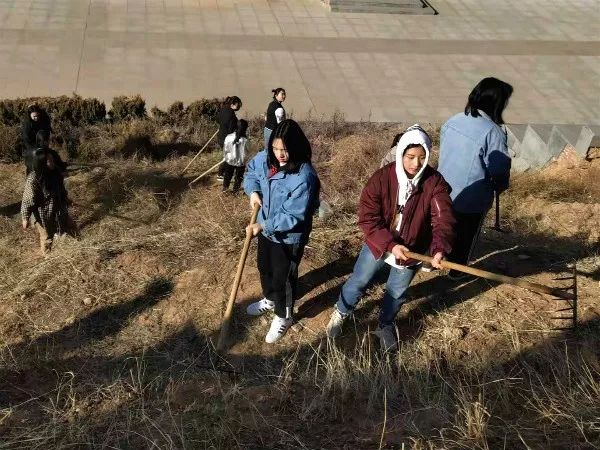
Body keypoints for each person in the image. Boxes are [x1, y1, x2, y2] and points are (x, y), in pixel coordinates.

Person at [326, 125, 455, 351]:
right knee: (359, 280)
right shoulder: (382, 179)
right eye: (410, 157)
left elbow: (443, 219)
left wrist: (439, 248)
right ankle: (342, 311)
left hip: (412, 249)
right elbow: (368, 218)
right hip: (380, 244)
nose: (416, 164)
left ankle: (385, 324)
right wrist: (390, 244)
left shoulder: (434, 182)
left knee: (397, 291)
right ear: (401, 153)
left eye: (422, 158)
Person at [243, 119, 320, 343]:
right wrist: (253, 191)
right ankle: (269, 299)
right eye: (275, 149)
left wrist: (262, 225)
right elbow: (251, 172)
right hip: (265, 231)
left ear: (295, 147)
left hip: (288, 236)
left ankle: (283, 315)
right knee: (264, 266)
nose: (280, 154)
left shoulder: (304, 177)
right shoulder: (266, 159)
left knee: (283, 277)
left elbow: (293, 215)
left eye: (285, 149)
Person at [437, 77, 513, 280]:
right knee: (466, 235)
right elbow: (499, 168)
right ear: (497, 103)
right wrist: (501, 185)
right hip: (473, 198)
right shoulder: (493, 132)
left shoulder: (453, 120)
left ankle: (433, 260)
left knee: (442, 227)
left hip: (442, 190)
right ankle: (456, 271)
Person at [21, 148, 75, 254]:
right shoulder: (33, 179)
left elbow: (61, 189)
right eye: (48, 160)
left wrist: (66, 199)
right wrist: (25, 217)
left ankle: (81, 246)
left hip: (57, 208)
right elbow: (27, 199)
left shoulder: (56, 173)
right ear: (41, 163)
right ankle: (47, 258)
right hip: (41, 214)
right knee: (47, 237)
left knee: (71, 226)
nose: (51, 162)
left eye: (51, 159)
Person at [217, 96, 242, 181]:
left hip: (221, 135)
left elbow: (219, 120)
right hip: (226, 138)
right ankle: (220, 174)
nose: (239, 107)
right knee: (228, 156)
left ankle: (224, 172)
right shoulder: (231, 113)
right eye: (238, 105)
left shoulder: (223, 109)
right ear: (233, 104)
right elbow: (231, 129)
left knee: (228, 155)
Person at [222, 119, 249, 194]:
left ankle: (225, 188)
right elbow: (248, 152)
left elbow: (225, 149)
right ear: (245, 129)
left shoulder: (228, 137)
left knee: (227, 174)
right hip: (241, 162)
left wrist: (225, 157)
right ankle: (235, 191)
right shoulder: (245, 140)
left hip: (229, 160)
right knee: (238, 177)